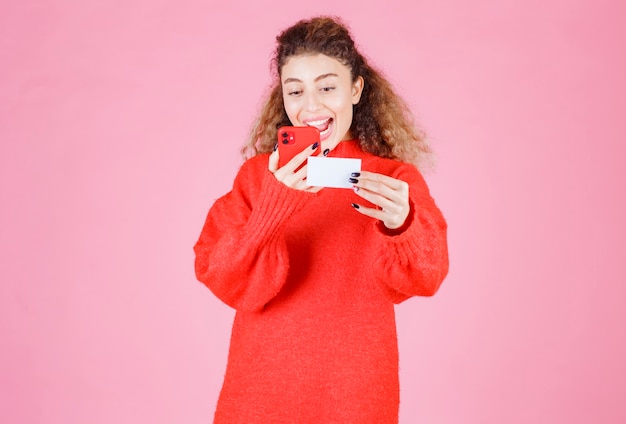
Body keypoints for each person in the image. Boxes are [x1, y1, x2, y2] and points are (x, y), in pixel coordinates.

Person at [194, 16, 449, 423]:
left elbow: (426, 277)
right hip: (259, 390)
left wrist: (402, 226)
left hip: (356, 391)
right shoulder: (259, 177)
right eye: (295, 91)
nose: (310, 106)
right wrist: (275, 203)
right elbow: (220, 275)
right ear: (283, 96)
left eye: (327, 87)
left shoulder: (394, 181)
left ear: (356, 89)